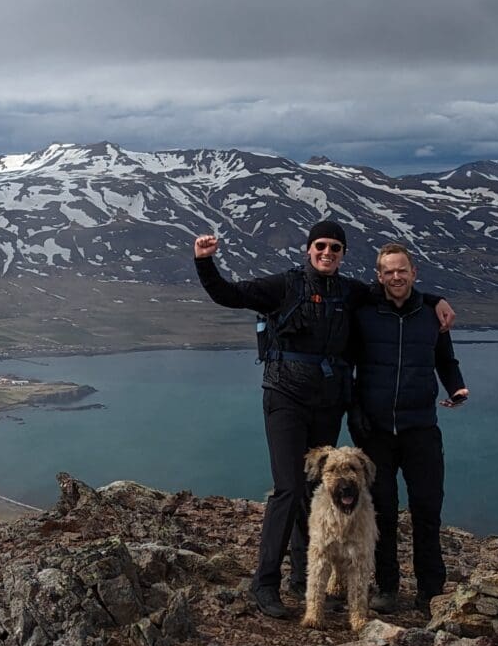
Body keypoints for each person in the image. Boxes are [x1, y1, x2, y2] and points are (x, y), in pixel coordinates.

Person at [192, 221, 452, 619]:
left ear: (343, 253)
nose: (327, 252)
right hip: (286, 396)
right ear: (309, 249)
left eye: (335, 247)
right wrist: (205, 262)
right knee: (288, 486)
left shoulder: (350, 291)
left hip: (328, 402)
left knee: (313, 484)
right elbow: (229, 294)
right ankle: (265, 584)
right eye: (320, 246)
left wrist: (434, 300)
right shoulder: (285, 285)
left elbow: (395, 288)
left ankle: (302, 577)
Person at [350, 242, 468, 614]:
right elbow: (347, 365)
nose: (396, 277)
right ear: (379, 276)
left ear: (414, 272)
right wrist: (355, 412)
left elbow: (445, 361)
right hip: (376, 432)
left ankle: (430, 591)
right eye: (389, 271)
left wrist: (457, 388)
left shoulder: (433, 316)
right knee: (383, 511)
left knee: (427, 510)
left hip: (421, 429)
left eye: (402, 270)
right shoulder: (364, 313)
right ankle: (387, 587)